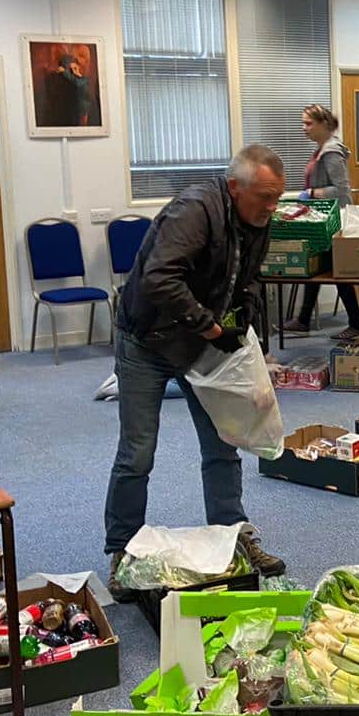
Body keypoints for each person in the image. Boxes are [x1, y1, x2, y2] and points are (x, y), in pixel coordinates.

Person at [104, 144, 288, 594]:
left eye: (277, 197)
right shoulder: (194, 212)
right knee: (137, 452)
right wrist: (208, 326)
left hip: (201, 345)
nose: (272, 207)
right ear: (233, 188)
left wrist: (239, 325)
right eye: (265, 196)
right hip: (147, 341)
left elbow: (246, 280)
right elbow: (159, 278)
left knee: (224, 441)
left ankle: (232, 536)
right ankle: (121, 551)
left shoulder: (257, 219)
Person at [283, 104, 359, 341]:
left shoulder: (331, 152)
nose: (303, 128)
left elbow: (342, 191)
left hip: (333, 221)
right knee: (316, 269)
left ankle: (356, 324)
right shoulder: (321, 150)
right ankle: (303, 320)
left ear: (324, 124)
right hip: (320, 219)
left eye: (308, 123)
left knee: (337, 273)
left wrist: (311, 193)